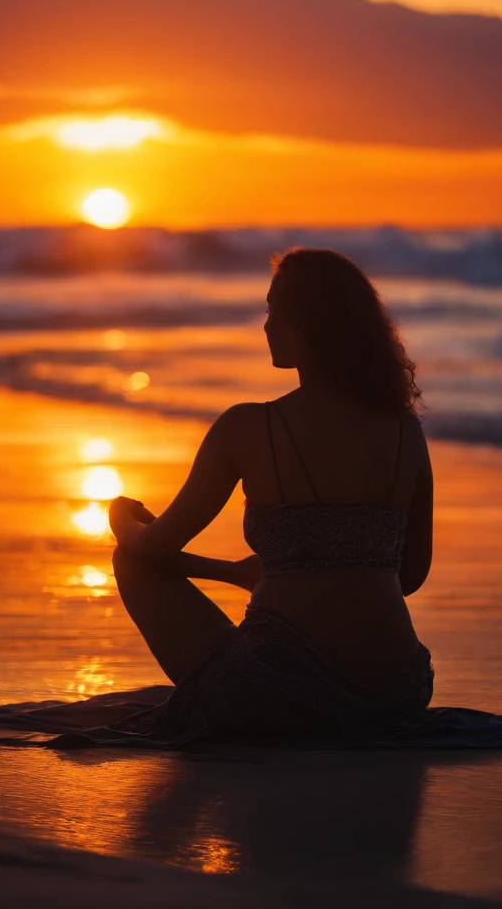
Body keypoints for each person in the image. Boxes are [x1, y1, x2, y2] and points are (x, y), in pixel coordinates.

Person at [96, 246, 435, 745]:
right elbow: (409, 575)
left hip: (278, 692)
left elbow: (151, 550)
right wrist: (240, 573)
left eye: (276, 311)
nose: (267, 326)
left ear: (309, 324)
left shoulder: (248, 427)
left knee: (128, 561)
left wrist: (120, 518)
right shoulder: (405, 429)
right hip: (399, 689)